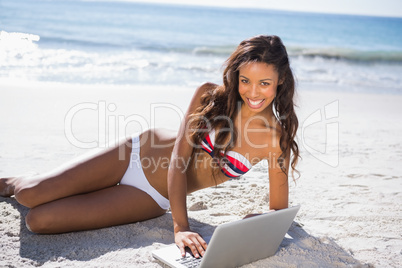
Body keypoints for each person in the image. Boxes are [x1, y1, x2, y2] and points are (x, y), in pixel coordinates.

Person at [0, 35, 299, 258]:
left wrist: (256, 221)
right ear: (236, 75)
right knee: (29, 194)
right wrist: (181, 227)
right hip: (133, 153)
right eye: (245, 80)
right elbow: (178, 162)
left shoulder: (277, 141)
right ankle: (16, 180)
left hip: (152, 195)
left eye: (264, 83)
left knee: (38, 220)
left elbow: (277, 209)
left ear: (280, 80)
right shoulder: (210, 95)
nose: (252, 91)